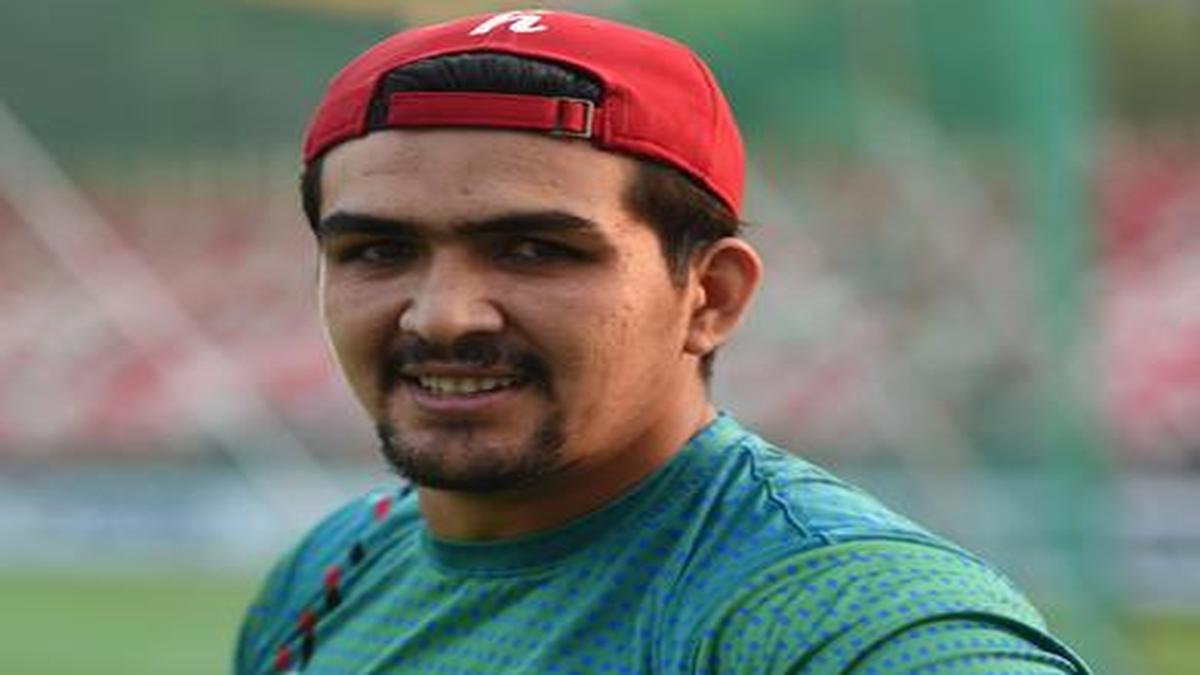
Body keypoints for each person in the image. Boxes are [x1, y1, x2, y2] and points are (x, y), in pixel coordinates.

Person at [235, 10, 1090, 674]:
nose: (444, 316)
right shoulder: (333, 569)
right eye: (378, 250)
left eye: (533, 249)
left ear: (710, 296)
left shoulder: (847, 615)